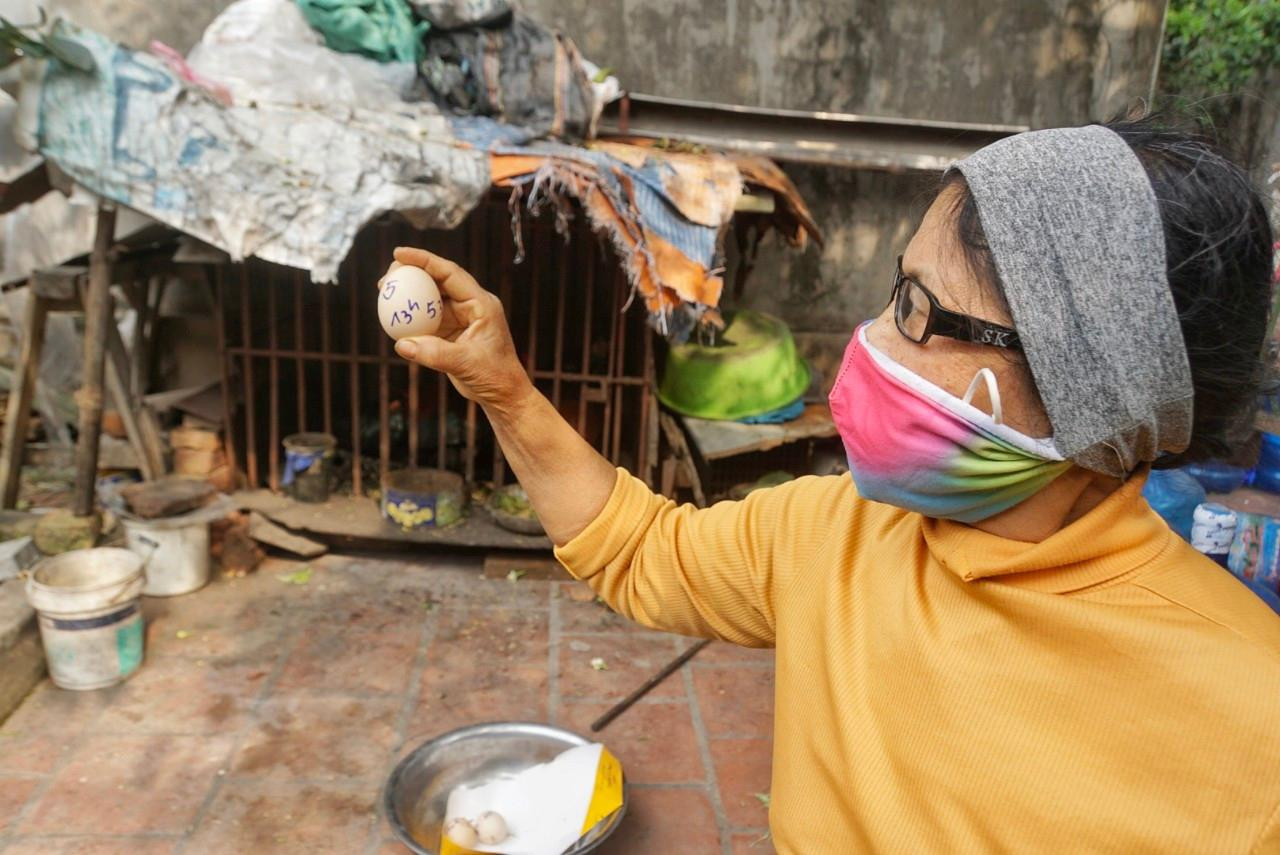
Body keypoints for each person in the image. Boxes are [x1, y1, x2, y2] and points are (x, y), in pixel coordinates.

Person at [387, 115, 1280, 853]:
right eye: (897, 291)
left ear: (1087, 388)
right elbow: (638, 547)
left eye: (918, 312)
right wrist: (501, 386)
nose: (871, 341)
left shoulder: (1254, 722)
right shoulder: (835, 532)